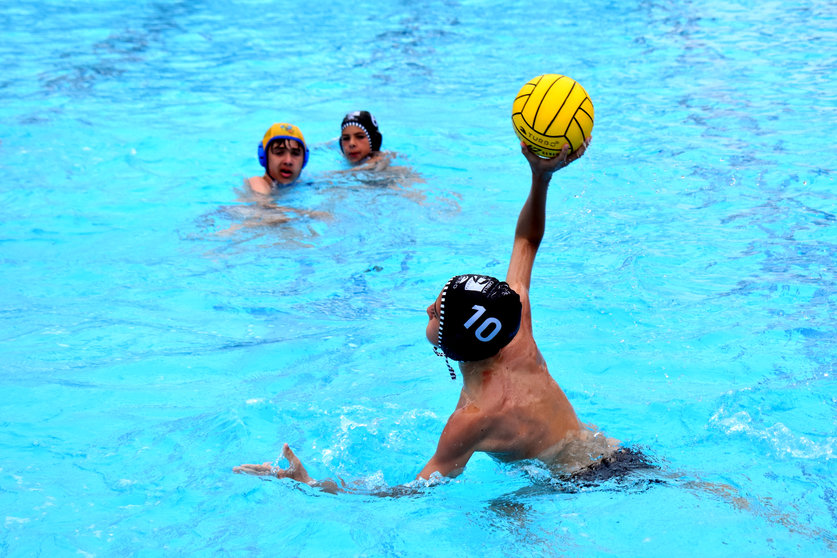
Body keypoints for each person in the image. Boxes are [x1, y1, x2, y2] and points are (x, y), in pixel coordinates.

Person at [234, 137, 637, 490]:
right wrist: (541, 175)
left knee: (499, 511)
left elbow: (408, 493)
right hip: (616, 454)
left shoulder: (473, 417)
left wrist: (309, 483)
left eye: (438, 309)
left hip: (574, 487)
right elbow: (526, 239)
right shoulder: (517, 335)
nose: (429, 307)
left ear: (452, 340)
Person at [248, 123, 309, 194]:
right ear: (264, 157)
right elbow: (263, 203)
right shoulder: (257, 183)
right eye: (279, 152)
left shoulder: (302, 184)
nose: (288, 161)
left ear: (304, 160)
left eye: (295, 153)